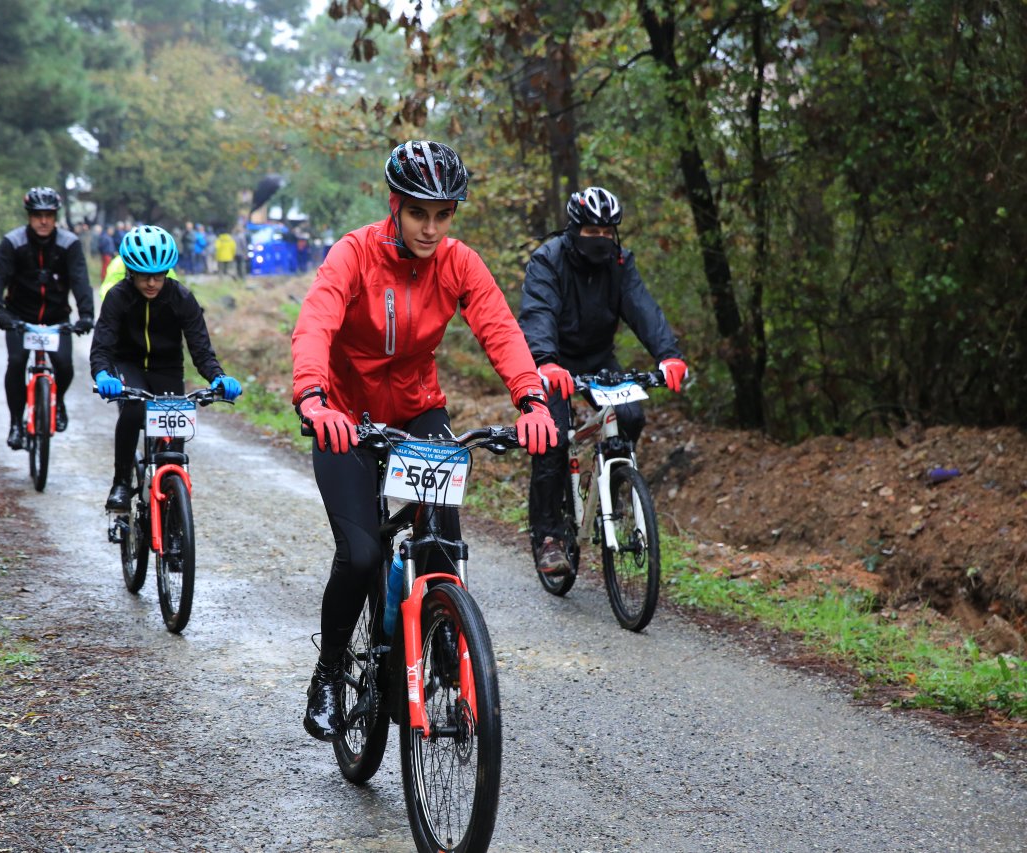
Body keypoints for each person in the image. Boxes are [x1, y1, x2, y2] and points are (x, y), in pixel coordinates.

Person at [290, 139, 559, 741]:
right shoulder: (354, 253)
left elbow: (500, 328)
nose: (431, 228)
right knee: (361, 555)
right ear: (395, 206)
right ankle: (328, 673)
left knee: (441, 540)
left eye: (443, 215)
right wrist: (313, 396)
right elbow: (316, 322)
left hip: (417, 413)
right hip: (345, 418)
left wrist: (532, 399)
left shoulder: (459, 263)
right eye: (418, 213)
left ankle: (440, 640)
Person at [517, 185, 688, 577]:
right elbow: (539, 312)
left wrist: (668, 355)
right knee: (552, 438)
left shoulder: (620, 262)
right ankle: (549, 536)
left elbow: (642, 307)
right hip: (552, 360)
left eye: (607, 232)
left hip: (597, 358)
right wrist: (545, 362)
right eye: (592, 232)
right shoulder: (548, 260)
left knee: (630, 418)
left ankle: (610, 493)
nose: (600, 239)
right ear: (574, 230)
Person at [90, 225, 242, 510]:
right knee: (134, 410)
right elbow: (102, 346)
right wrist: (103, 374)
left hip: (168, 368)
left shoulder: (181, 298)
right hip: (129, 364)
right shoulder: (118, 297)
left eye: (158, 275)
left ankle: (172, 499)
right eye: (144, 276)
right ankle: (121, 482)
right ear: (131, 272)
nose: (152, 283)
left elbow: (201, 349)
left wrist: (218, 377)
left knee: (174, 435)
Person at [0, 186, 95, 450]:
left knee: (65, 366)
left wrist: (86, 315)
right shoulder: (13, 242)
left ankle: (58, 402)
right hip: (19, 317)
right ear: (29, 216)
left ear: (56, 216)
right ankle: (15, 423)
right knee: (16, 362)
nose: (43, 221)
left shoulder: (69, 244)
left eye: (49, 215)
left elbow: (80, 280)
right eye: (37, 215)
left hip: (57, 318)